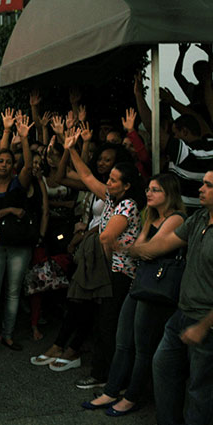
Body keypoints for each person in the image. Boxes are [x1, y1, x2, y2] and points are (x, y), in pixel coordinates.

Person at [82, 174, 185, 416]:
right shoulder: (151, 215)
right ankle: (112, 390)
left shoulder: (177, 218)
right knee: (122, 339)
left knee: (142, 346)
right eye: (148, 189)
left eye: (155, 190)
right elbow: (139, 248)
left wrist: (135, 249)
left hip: (156, 287)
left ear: (169, 194)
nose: (149, 193)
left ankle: (132, 396)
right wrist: (138, 249)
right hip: (141, 282)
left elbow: (149, 250)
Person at [61, 130, 145, 389]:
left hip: (120, 274)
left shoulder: (128, 205)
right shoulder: (111, 197)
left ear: (127, 186)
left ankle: (107, 378)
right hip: (112, 270)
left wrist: (106, 263)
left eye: (113, 180)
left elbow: (107, 237)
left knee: (109, 325)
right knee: (103, 323)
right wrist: (71, 149)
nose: (107, 182)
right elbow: (87, 176)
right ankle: (105, 375)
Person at [130, 170, 213, 425]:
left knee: (200, 390)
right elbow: (163, 244)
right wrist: (134, 249)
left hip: (206, 321)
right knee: (163, 366)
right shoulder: (199, 218)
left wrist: (204, 325)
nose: (200, 189)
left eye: (208, 185)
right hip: (183, 313)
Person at [0, 115, 34, 349]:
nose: (4, 164)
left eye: (8, 161)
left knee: (13, 292)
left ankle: (8, 334)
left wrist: (24, 139)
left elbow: (29, 167)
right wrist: (11, 210)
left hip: (19, 246)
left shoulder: (18, 183)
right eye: (0, 161)